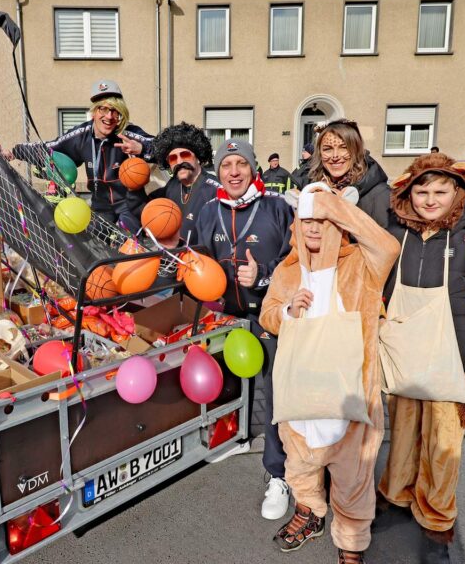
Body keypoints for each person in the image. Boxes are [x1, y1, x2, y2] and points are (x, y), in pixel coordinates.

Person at [259, 184, 400, 564]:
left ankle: (351, 543)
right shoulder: (287, 271)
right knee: (301, 466)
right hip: (302, 395)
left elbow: (389, 247)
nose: (315, 228)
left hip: (349, 395)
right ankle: (309, 513)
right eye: (308, 220)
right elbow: (267, 315)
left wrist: (335, 207)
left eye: (324, 219)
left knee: (353, 477)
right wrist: (288, 311)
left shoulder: (361, 263)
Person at [377, 153, 465, 564]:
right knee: (404, 434)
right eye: (422, 190)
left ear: (457, 193)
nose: (430, 199)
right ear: (408, 193)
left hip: (453, 354)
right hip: (405, 353)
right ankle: (396, 496)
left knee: (443, 445)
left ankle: (436, 517)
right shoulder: (396, 235)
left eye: (440, 191)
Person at [194, 139, 295, 521]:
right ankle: (233, 436)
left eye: (240, 163)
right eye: (226, 165)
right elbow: (197, 259)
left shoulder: (277, 207)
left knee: (275, 395)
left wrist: (263, 275)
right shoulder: (208, 211)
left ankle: (277, 474)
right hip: (226, 317)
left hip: (268, 315)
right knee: (230, 384)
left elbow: (294, 261)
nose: (233, 171)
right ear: (218, 172)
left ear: (253, 169)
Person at [297, 119, 465, 249]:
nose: (335, 156)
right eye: (328, 149)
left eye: (343, 148)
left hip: (366, 285)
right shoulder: (313, 189)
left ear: (356, 150)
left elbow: (426, 212)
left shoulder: (380, 193)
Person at [11, 79, 154, 230]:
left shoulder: (128, 132)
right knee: (96, 245)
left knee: (128, 243)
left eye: (115, 111)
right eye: (103, 109)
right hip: (100, 206)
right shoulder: (81, 134)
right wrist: (15, 152)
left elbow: (160, 145)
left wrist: (141, 148)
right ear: (94, 112)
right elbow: (49, 148)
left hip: (129, 205)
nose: (109, 116)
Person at [148, 122, 221, 241]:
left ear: (198, 158)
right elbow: (145, 207)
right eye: (173, 158)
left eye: (185, 155)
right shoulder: (172, 185)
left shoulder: (214, 190)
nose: (179, 161)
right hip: (174, 255)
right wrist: (134, 189)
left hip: (201, 256)